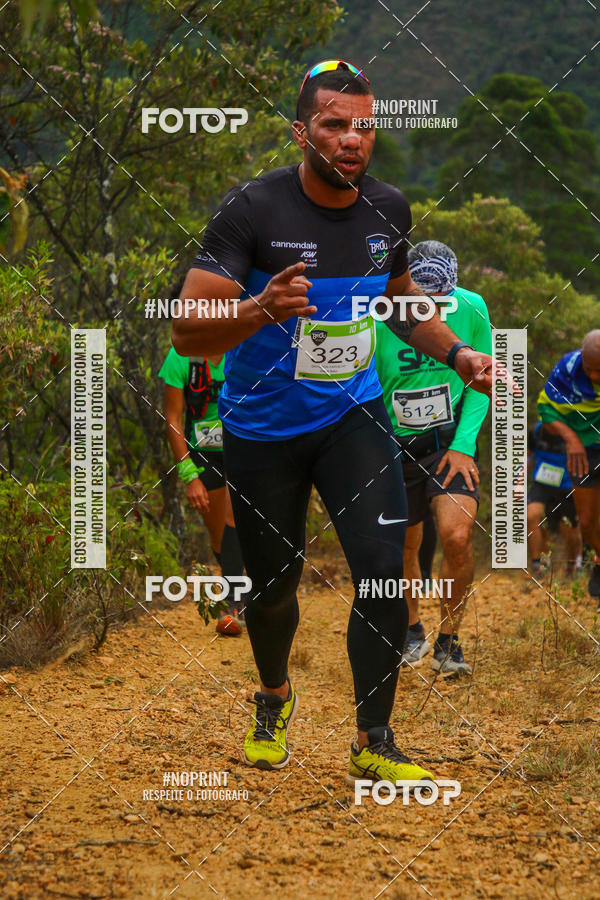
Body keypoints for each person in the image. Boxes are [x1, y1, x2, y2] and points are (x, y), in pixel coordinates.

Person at [172, 60, 494, 780]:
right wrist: (258, 309)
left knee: (383, 573)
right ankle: (273, 693)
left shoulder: (389, 209)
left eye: (364, 126)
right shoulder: (253, 210)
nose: (352, 139)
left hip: (354, 419)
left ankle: (372, 740)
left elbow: (403, 301)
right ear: (301, 131)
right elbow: (186, 329)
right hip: (262, 429)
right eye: (334, 124)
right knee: (275, 587)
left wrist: (460, 351)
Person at [375, 240, 492, 676]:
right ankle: (411, 630)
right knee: (407, 543)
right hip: (395, 444)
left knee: (457, 536)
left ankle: (448, 641)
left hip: (449, 442)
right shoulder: (379, 312)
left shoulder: (472, 306)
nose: (433, 311)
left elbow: (484, 378)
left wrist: (464, 444)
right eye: (422, 304)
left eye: (441, 301)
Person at [159, 346, 246, 635]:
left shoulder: (242, 345)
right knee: (220, 536)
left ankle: (232, 604)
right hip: (203, 454)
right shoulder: (181, 356)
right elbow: (172, 418)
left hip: (243, 445)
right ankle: (241, 589)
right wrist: (189, 476)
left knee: (235, 516)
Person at [537, 330, 600, 604]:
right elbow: (546, 410)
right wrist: (571, 438)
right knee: (587, 521)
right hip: (582, 452)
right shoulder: (568, 369)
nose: (595, 376)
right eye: (590, 369)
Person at [527, 422, 582, 579]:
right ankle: (538, 565)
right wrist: (518, 478)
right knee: (532, 516)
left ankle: (574, 564)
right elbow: (529, 454)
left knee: (569, 529)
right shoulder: (536, 430)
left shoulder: (574, 432)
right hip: (542, 484)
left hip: (567, 486)